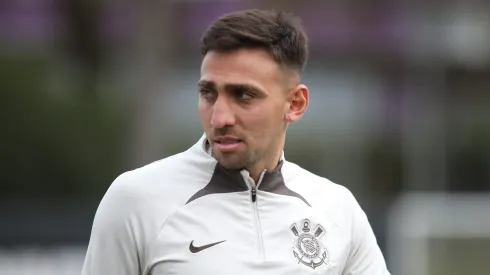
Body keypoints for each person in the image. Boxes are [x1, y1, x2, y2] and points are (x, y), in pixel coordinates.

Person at [81, 9, 391, 275]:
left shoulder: (337, 210)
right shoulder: (135, 200)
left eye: (243, 95)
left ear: (295, 104)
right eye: (208, 93)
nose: (219, 118)